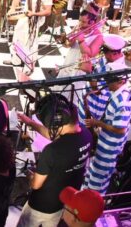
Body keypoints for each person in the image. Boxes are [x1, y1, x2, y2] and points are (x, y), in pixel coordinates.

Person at [17, 95, 94, 227]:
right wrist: (30, 122)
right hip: (63, 204)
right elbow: (55, 135)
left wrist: (30, 175)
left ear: (58, 123)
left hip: (41, 206)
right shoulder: (86, 134)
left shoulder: (52, 151)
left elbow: (36, 185)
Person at [82, 71, 131, 193]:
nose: (106, 83)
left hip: (109, 148)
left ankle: (91, 202)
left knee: (98, 181)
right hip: (104, 142)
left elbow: (120, 130)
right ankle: (84, 192)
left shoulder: (123, 102)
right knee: (93, 170)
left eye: (109, 81)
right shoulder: (115, 93)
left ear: (121, 82)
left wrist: (98, 123)